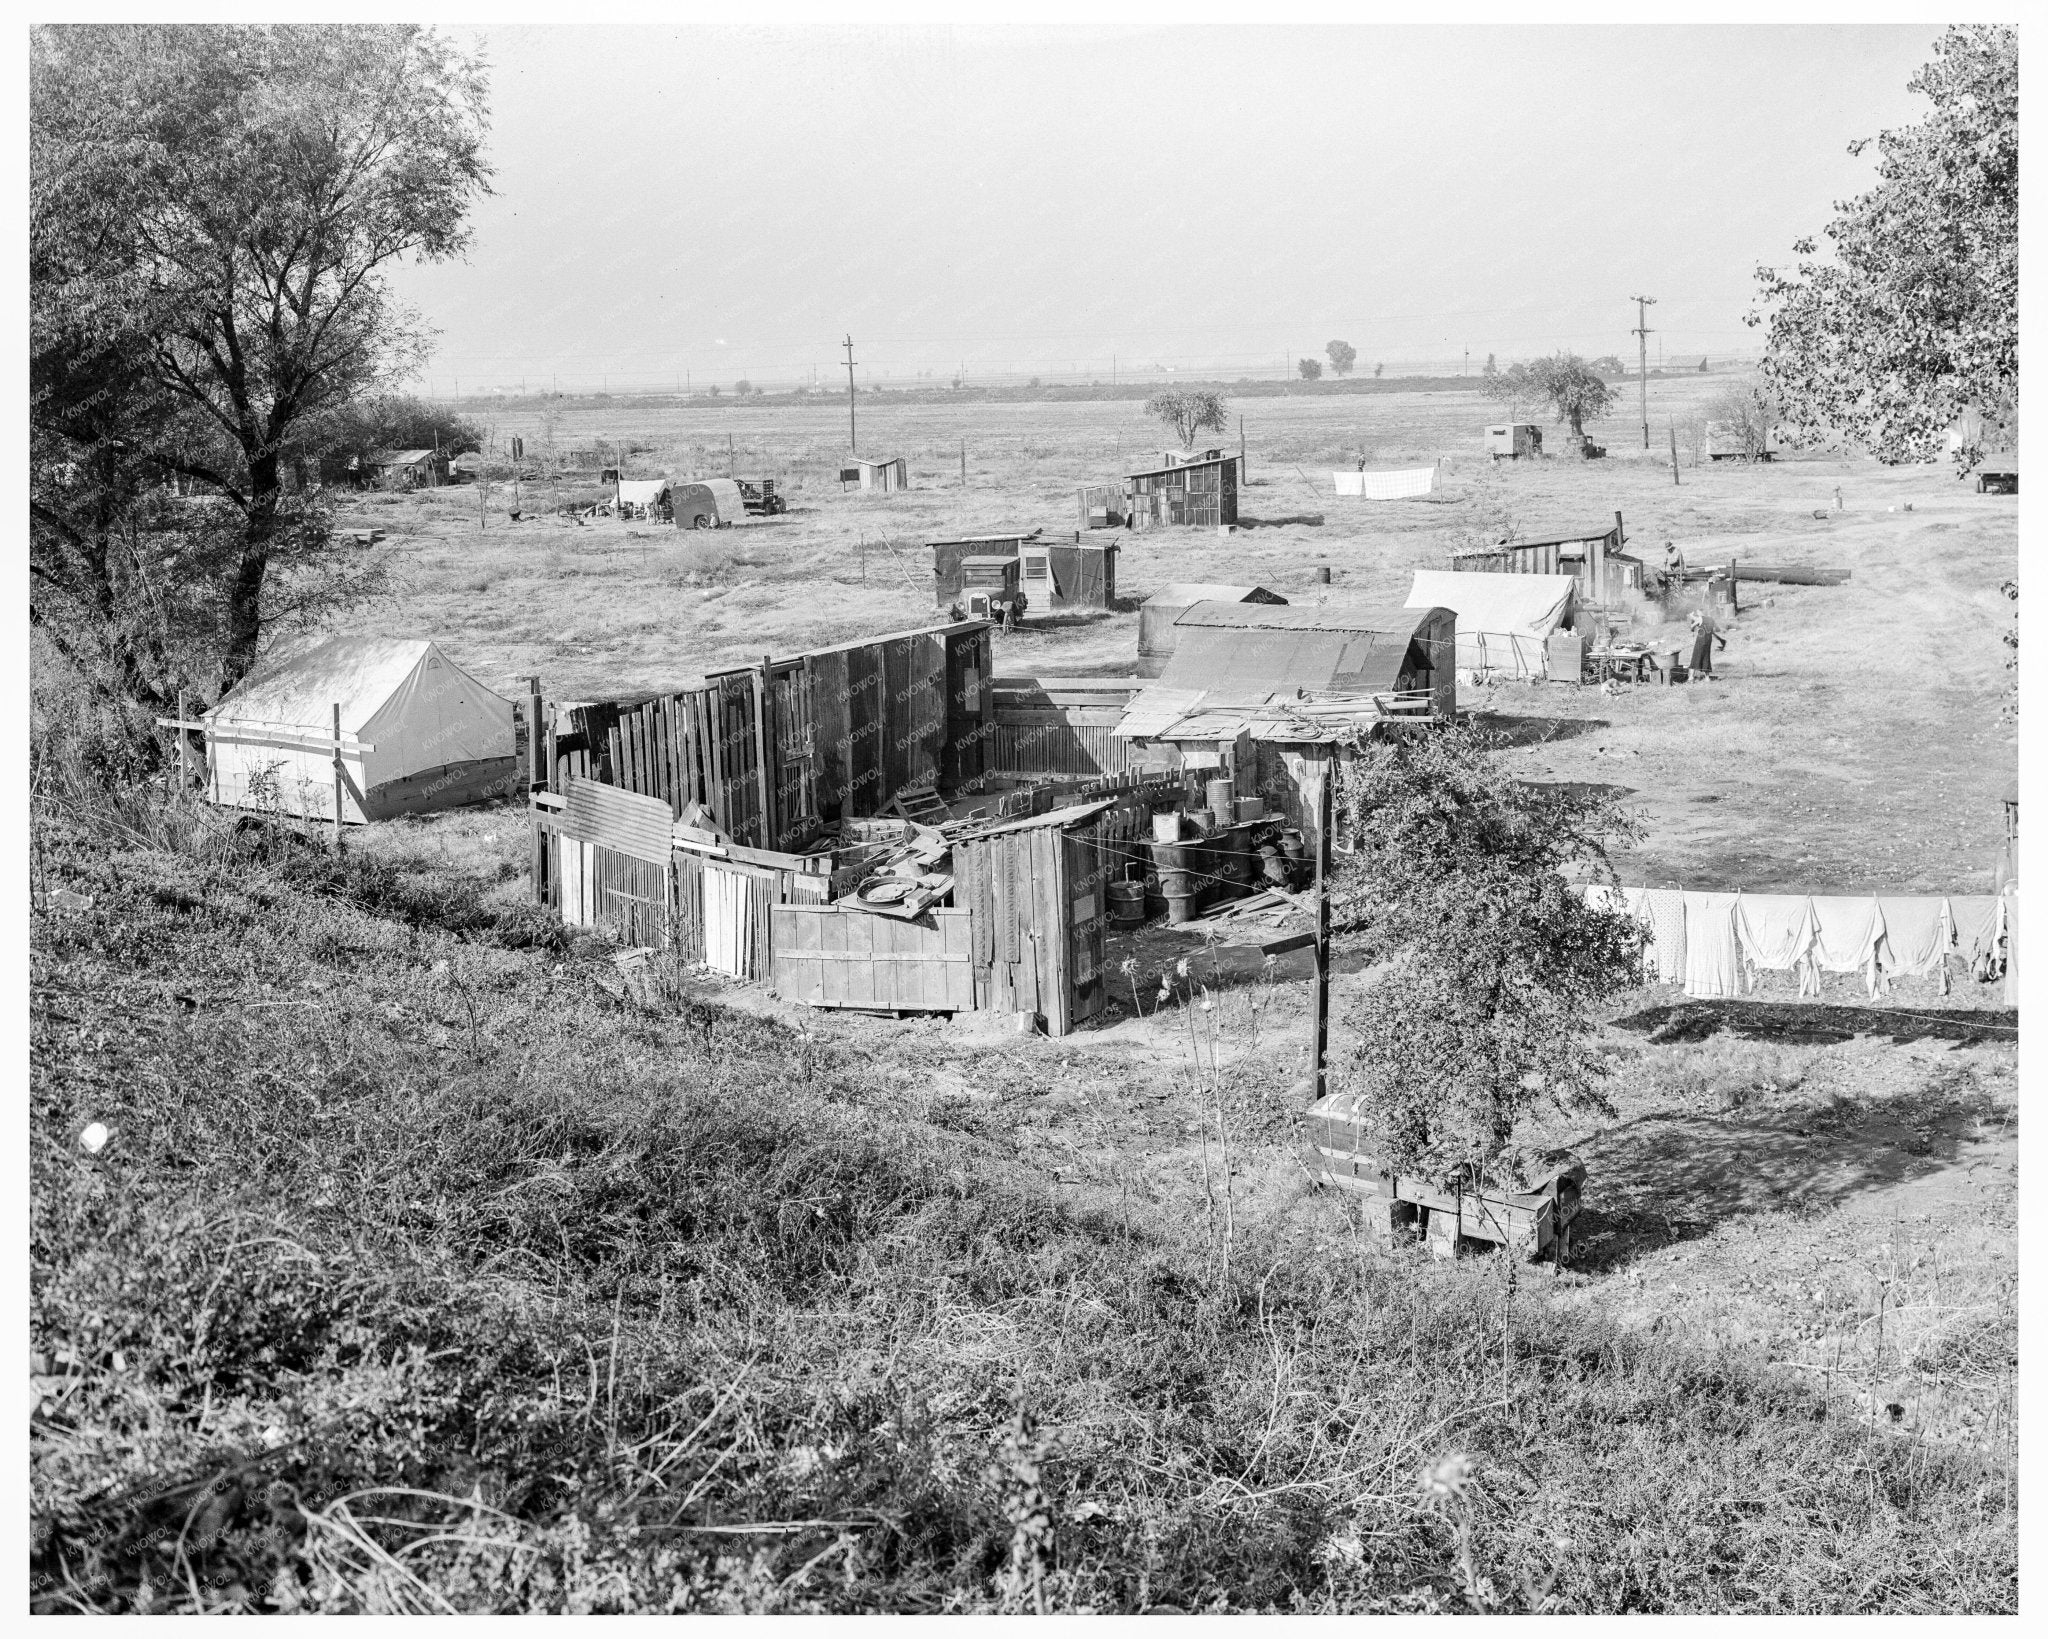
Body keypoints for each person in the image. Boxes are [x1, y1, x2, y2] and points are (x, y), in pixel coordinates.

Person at [1687, 608, 1726, 680]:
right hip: (1708, 641)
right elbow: (1718, 629)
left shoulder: (1700, 618)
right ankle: (1707, 678)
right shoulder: (1711, 619)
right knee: (1706, 658)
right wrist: (1709, 629)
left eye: (1697, 611)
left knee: (1695, 657)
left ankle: (1691, 677)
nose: (1697, 613)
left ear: (1699, 611)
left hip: (1700, 641)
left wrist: (1691, 616)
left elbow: (1692, 627)